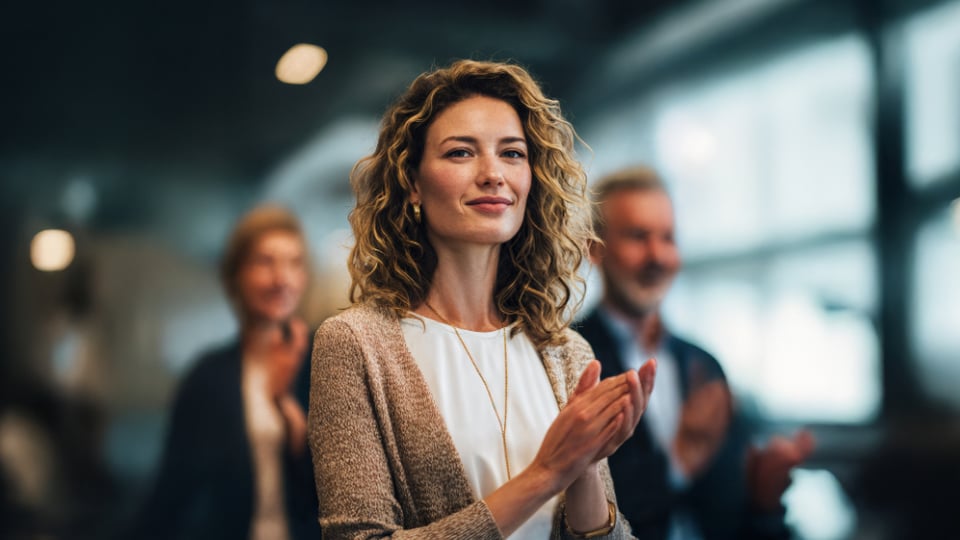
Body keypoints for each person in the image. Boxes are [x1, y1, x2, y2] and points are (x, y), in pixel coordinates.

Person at [308, 60, 657, 539]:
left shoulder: (566, 354)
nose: (494, 174)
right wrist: (546, 474)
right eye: (460, 153)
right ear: (412, 183)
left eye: (512, 154)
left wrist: (582, 469)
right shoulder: (356, 344)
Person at [576, 166, 815, 540]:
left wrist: (764, 497)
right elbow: (576, 512)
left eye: (668, 238)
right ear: (595, 248)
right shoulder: (571, 360)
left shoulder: (704, 365)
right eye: (638, 237)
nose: (657, 255)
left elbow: (732, 513)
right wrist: (679, 461)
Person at [125, 205, 319, 540]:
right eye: (264, 262)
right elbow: (171, 493)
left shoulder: (325, 361)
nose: (281, 278)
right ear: (236, 275)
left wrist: (286, 408)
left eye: (293, 263)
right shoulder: (207, 377)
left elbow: (339, 492)